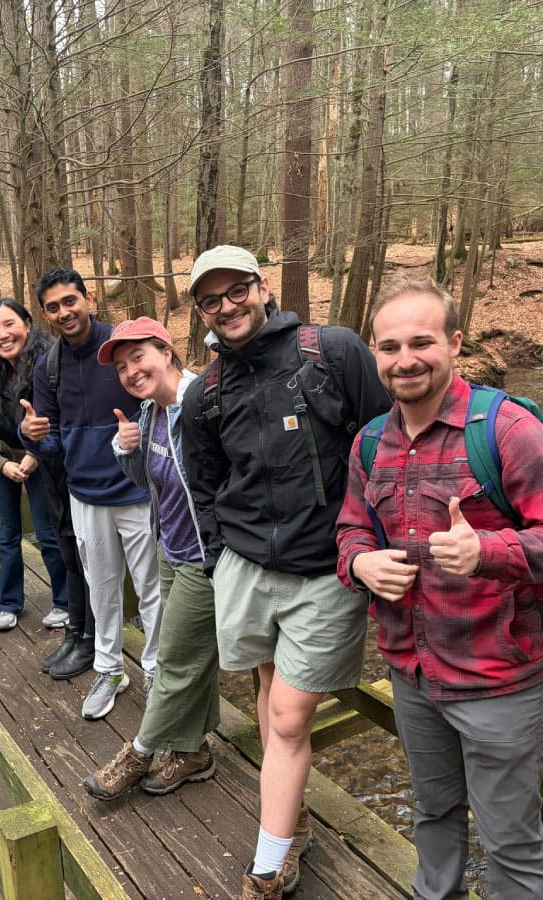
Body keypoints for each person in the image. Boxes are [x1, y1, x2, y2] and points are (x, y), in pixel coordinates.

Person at [336, 277, 543, 900]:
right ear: (375, 354)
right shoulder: (370, 442)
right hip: (414, 674)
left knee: (511, 840)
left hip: (500, 679)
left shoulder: (506, 430)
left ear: (455, 343)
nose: (405, 360)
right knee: (432, 816)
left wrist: (489, 551)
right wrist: (361, 566)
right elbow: (349, 528)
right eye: (390, 346)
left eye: (421, 342)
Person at [179, 245, 391, 899]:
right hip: (246, 567)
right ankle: (292, 821)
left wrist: (374, 543)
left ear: (262, 287)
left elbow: (384, 441)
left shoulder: (332, 351)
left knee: (292, 715)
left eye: (236, 290)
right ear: (201, 311)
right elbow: (204, 485)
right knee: (270, 700)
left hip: (324, 568)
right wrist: (219, 561)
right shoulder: (207, 393)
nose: (226, 306)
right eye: (210, 300)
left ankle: (267, 865)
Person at [83, 317, 219, 799]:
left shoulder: (202, 402)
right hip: (171, 546)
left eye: (139, 357)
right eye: (121, 367)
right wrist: (125, 452)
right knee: (192, 656)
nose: (132, 371)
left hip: (207, 557)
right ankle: (193, 751)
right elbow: (150, 482)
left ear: (166, 350)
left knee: (176, 658)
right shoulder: (149, 413)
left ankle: (138, 751)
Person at [20, 268, 162, 722]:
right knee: (101, 590)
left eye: (70, 301)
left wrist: (144, 434)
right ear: (45, 314)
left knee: (152, 590)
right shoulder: (50, 366)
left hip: (138, 491)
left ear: (88, 297)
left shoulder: (120, 349)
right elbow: (53, 439)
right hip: (85, 495)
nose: (64, 312)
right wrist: (31, 436)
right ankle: (109, 669)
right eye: (54, 307)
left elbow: (162, 396)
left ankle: (158, 673)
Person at [0, 299, 69, 633]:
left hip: (42, 458)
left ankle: (64, 601)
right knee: (8, 534)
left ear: (28, 324)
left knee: (48, 533)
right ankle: (8, 602)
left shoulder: (43, 363)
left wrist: (33, 455)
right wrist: (1, 463)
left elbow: (49, 419)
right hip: (0, 461)